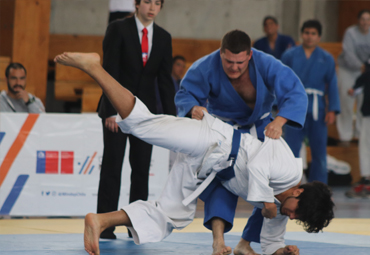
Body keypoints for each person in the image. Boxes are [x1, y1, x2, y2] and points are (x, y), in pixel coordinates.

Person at [54, 51, 334, 255]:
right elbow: (259, 166)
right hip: (212, 140)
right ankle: (94, 67)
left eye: (297, 219)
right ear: (298, 192)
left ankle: (100, 220)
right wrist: (266, 201)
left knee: (173, 216)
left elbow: (272, 240)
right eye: (297, 213)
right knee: (144, 125)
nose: (293, 217)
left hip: (208, 169)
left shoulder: (282, 209)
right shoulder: (290, 170)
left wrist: (279, 252)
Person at [175, 30, 307, 255]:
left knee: (270, 190)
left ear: (250, 56)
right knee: (221, 184)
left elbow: (295, 91)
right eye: (228, 62)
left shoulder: (266, 63)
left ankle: (245, 244)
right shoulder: (205, 66)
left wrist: (280, 121)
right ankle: (218, 241)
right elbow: (185, 94)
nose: (234, 68)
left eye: (239, 62)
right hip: (223, 131)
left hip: (260, 127)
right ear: (220, 53)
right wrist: (192, 108)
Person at [96, 0, 176, 239]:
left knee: (141, 171)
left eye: (157, 3)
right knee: (112, 168)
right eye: (148, 2)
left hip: (145, 115)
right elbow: (108, 70)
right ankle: (105, 226)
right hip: (116, 112)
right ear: (137, 4)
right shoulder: (118, 28)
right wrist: (110, 110)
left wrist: (171, 120)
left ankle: (136, 226)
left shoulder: (163, 37)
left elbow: (164, 81)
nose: (152, 7)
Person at [281, 20, 340, 184]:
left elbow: (332, 84)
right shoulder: (289, 55)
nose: (309, 36)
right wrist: (282, 106)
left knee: (319, 151)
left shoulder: (326, 58)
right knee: (291, 149)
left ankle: (319, 188)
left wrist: (332, 110)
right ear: (301, 34)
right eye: (307, 33)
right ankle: (288, 186)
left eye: (313, 33)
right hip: (294, 108)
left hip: (317, 108)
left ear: (319, 37)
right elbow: (280, 81)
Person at [336, 9, 370, 145]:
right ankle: (345, 135)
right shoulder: (351, 33)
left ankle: (360, 134)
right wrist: (361, 66)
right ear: (358, 20)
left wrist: (366, 69)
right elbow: (348, 52)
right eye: (363, 19)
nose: (365, 22)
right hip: (348, 70)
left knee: (364, 102)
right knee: (347, 102)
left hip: (366, 72)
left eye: (368, 19)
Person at [345, 60, 370, 198]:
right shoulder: (367, 70)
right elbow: (357, 87)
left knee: (366, 146)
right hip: (367, 115)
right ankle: (366, 178)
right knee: (365, 145)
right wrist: (353, 89)